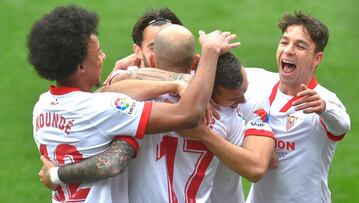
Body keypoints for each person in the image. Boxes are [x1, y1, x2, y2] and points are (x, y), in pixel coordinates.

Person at [28, 5, 239, 203]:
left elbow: (99, 103)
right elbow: (188, 114)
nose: (105, 57)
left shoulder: (42, 106)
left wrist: (123, 79)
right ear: (81, 66)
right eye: (99, 52)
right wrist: (208, 55)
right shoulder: (107, 107)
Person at [245, 11, 351, 203]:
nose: (288, 50)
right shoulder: (256, 82)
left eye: (300, 46)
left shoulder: (324, 99)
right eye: (284, 42)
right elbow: (210, 78)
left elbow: (342, 125)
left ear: (316, 59)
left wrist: (324, 108)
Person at [104, 8, 183, 84]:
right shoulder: (123, 81)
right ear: (138, 51)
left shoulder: (193, 76)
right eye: (154, 48)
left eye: (171, 45)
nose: (164, 54)